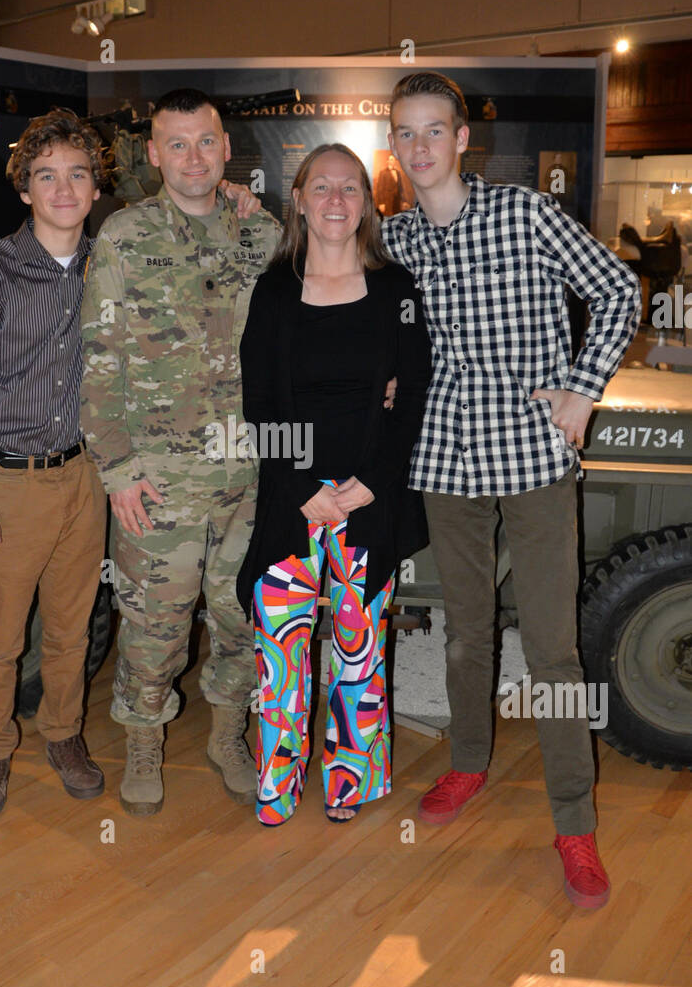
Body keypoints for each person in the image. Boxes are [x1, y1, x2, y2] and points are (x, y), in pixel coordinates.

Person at [383, 70, 641, 908]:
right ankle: (467, 764)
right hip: (446, 464)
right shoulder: (400, 240)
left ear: (463, 140)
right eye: (405, 133)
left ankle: (573, 821)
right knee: (464, 633)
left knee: (552, 648)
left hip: (530, 459)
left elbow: (618, 290)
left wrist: (583, 388)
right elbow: (320, 252)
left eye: (433, 131)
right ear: (395, 145)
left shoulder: (525, 214)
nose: (420, 147)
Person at [80, 88, 281, 815]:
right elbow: (98, 358)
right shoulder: (125, 238)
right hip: (159, 478)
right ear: (154, 153)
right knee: (155, 622)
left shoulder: (263, 236)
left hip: (250, 473)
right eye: (177, 143)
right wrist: (119, 469)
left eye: (206, 142)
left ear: (228, 150)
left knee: (240, 617)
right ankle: (143, 739)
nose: (193, 157)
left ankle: (228, 735)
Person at [236, 144, 432, 825]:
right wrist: (300, 488)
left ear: (367, 204)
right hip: (293, 507)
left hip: (366, 506)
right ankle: (278, 786)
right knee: (282, 663)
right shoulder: (273, 290)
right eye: (322, 187)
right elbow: (256, 401)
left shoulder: (398, 293)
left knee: (359, 657)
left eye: (350, 188)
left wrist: (372, 484)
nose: (337, 200)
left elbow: (412, 400)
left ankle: (350, 781)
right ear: (299, 198)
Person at [0, 108, 109, 817]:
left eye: (77, 174)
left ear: (97, 188)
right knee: (1, 636)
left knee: (73, 628)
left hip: (86, 478)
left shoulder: (111, 266)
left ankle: (63, 736)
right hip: (8, 481)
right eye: (46, 176)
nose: (63, 189)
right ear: (25, 189)